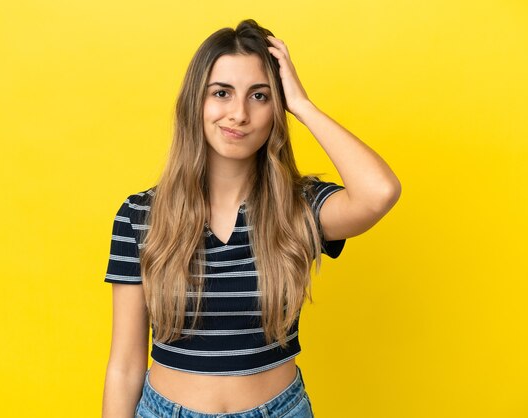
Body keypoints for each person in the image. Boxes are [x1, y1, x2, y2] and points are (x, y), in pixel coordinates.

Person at [102, 19, 401, 418]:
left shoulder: (299, 207)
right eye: (221, 93)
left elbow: (380, 192)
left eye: (259, 96)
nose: (239, 113)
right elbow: (124, 367)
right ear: (196, 102)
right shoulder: (140, 216)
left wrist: (303, 106)